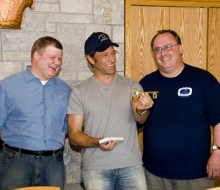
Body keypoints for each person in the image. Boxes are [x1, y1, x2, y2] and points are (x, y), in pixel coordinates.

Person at [67, 32, 153, 190]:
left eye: (113, 53)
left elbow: (140, 119)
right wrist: (97, 142)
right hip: (95, 169)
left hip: (131, 166)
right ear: (91, 59)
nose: (112, 59)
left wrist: (141, 110)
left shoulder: (132, 86)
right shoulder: (79, 92)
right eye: (105, 55)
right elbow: (74, 135)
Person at [139, 29, 220, 190]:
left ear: (181, 48)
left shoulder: (204, 80)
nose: (163, 53)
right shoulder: (146, 84)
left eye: (168, 46)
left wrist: (217, 152)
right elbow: (134, 122)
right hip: (154, 176)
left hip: (196, 175)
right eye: (158, 49)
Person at [0, 36, 71, 190]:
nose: (57, 62)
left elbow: (67, 127)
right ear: (36, 56)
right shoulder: (8, 86)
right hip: (16, 162)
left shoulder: (65, 90)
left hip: (53, 164)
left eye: (60, 59)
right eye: (52, 57)